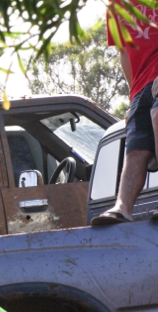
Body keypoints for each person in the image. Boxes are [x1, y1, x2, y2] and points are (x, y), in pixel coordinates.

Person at [95, 6, 158, 225]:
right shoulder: (117, 5)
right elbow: (124, 53)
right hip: (141, 85)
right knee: (136, 149)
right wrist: (134, 97)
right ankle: (122, 208)